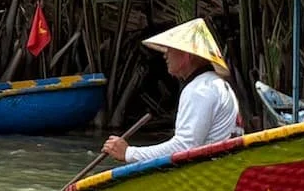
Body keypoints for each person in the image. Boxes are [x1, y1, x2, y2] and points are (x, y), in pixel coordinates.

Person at [102, 18, 242, 165]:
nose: (165, 55)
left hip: (208, 174)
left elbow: (184, 148)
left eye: (170, 49)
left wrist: (130, 153)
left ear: (186, 55)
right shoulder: (216, 84)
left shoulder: (200, 89)